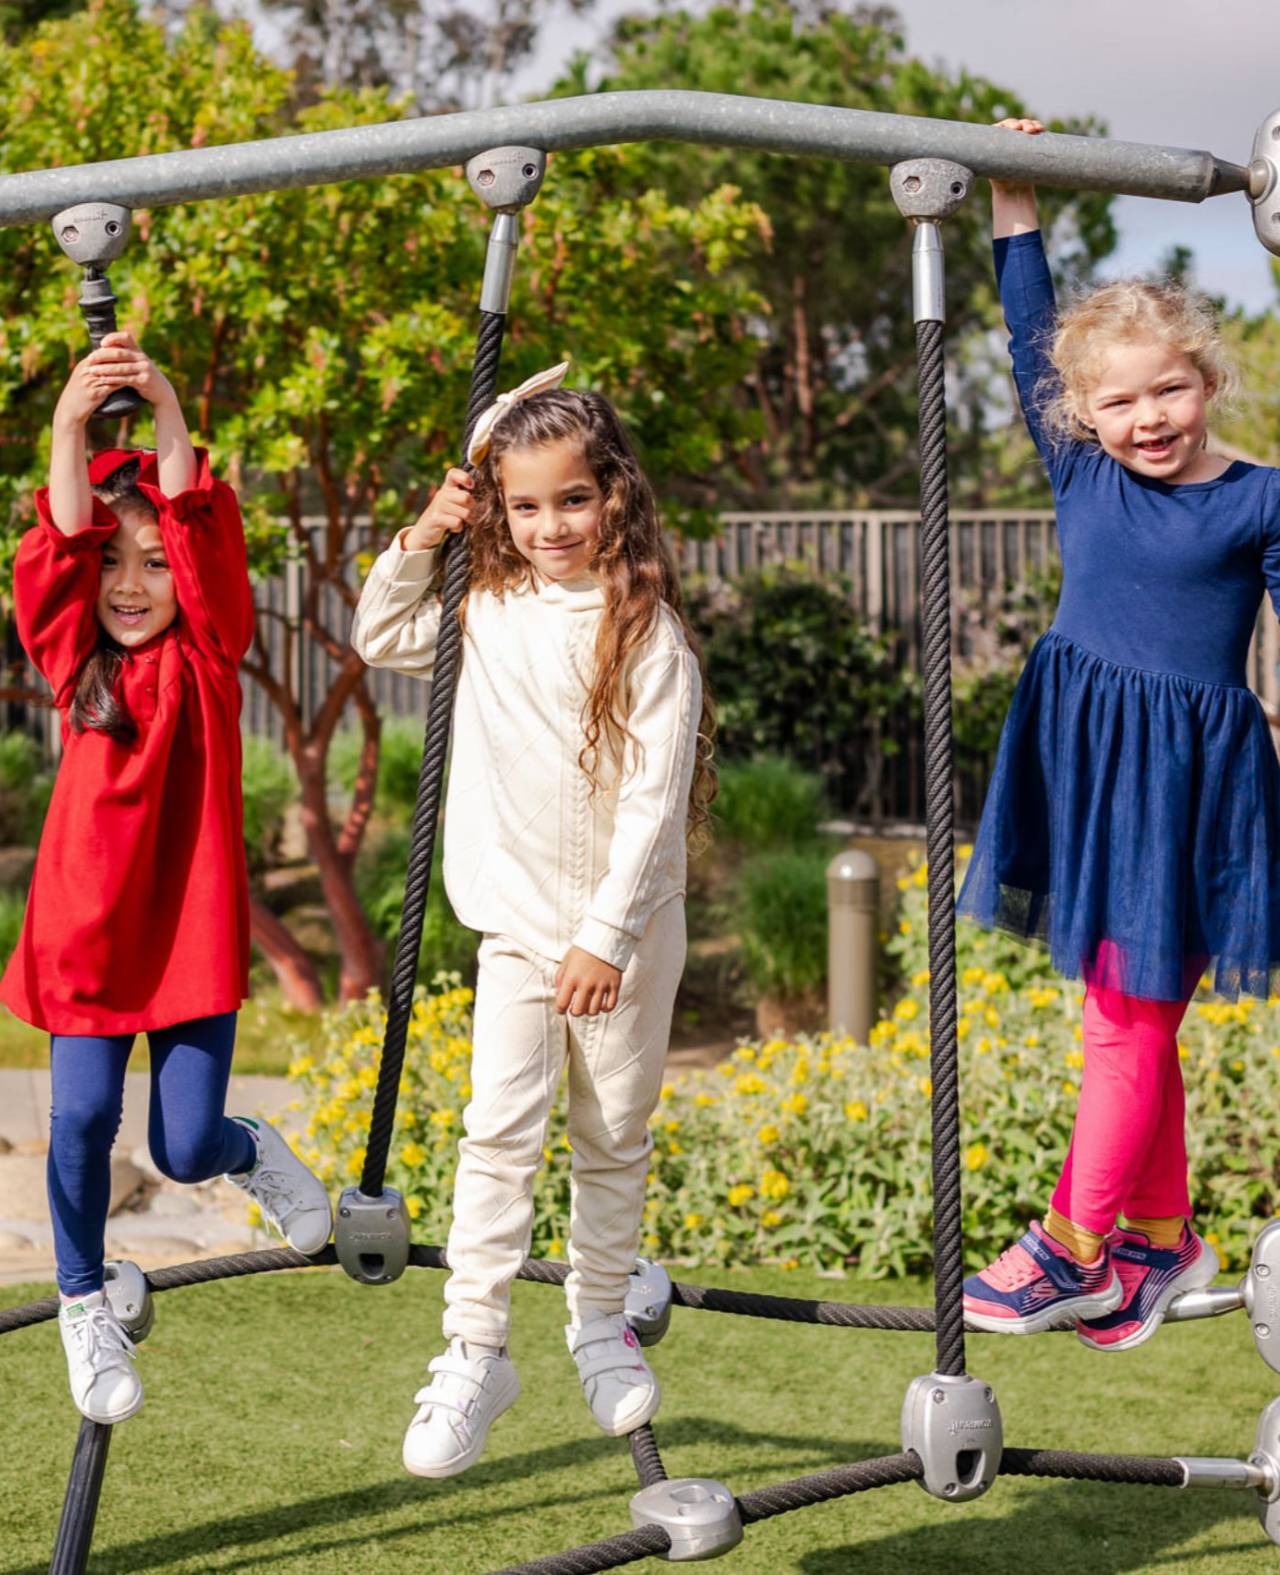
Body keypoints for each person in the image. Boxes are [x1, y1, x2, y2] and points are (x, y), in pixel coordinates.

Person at [351, 365, 711, 1477]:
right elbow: (378, 634)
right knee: (496, 1134)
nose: (549, 525)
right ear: (495, 509)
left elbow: (653, 805)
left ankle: (597, 1321)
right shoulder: (483, 607)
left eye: (571, 499)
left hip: (624, 937)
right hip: (512, 926)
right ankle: (473, 1349)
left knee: (611, 1137)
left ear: (613, 497)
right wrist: (429, 523)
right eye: (522, 504)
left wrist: (604, 935)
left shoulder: (646, 632)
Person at [957, 118, 1280, 1350]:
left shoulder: (1257, 499)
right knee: (1128, 1009)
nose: (1147, 416)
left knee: (1124, 1020)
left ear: (1209, 378)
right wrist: (1012, 195)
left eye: (1169, 388)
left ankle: (1074, 1243)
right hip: (1085, 770)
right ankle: (1156, 1237)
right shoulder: (1076, 471)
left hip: (1193, 788)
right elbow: (1023, 323)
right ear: (1077, 414)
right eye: (1117, 399)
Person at [2, 333, 332, 1423]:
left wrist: (170, 408)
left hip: (186, 934)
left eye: (152, 564)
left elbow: (197, 528)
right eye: (112, 565)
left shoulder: (210, 653)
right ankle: (82, 1300)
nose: (132, 585)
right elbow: (56, 541)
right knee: (84, 1126)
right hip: (85, 937)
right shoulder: (70, 662)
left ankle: (251, 1151)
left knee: (184, 1146)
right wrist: (67, 427)